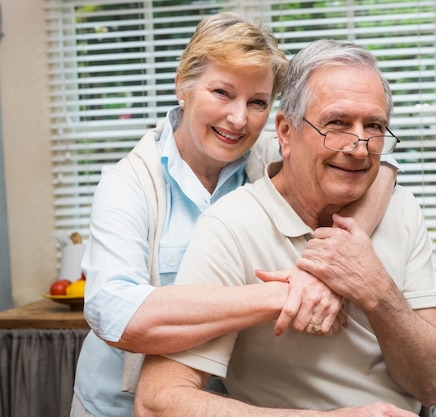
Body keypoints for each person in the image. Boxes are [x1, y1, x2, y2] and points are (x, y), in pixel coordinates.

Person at [70, 13, 398, 417]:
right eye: (222, 93)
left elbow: (379, 169)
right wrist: (281, 294)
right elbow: (116, 312)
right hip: (119, 405)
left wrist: (335, 260)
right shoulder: (129, 184)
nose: (239, 119)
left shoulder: (270, 159)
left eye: (257, 101)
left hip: (224, 401)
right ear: (183, 85)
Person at [134, 39, 436, 417]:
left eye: (373, 126)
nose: (359, 148)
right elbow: (156, 402)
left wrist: (378, 292)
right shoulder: (231, 227)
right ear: (286, 134)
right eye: (336, 124)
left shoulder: (401, 208)